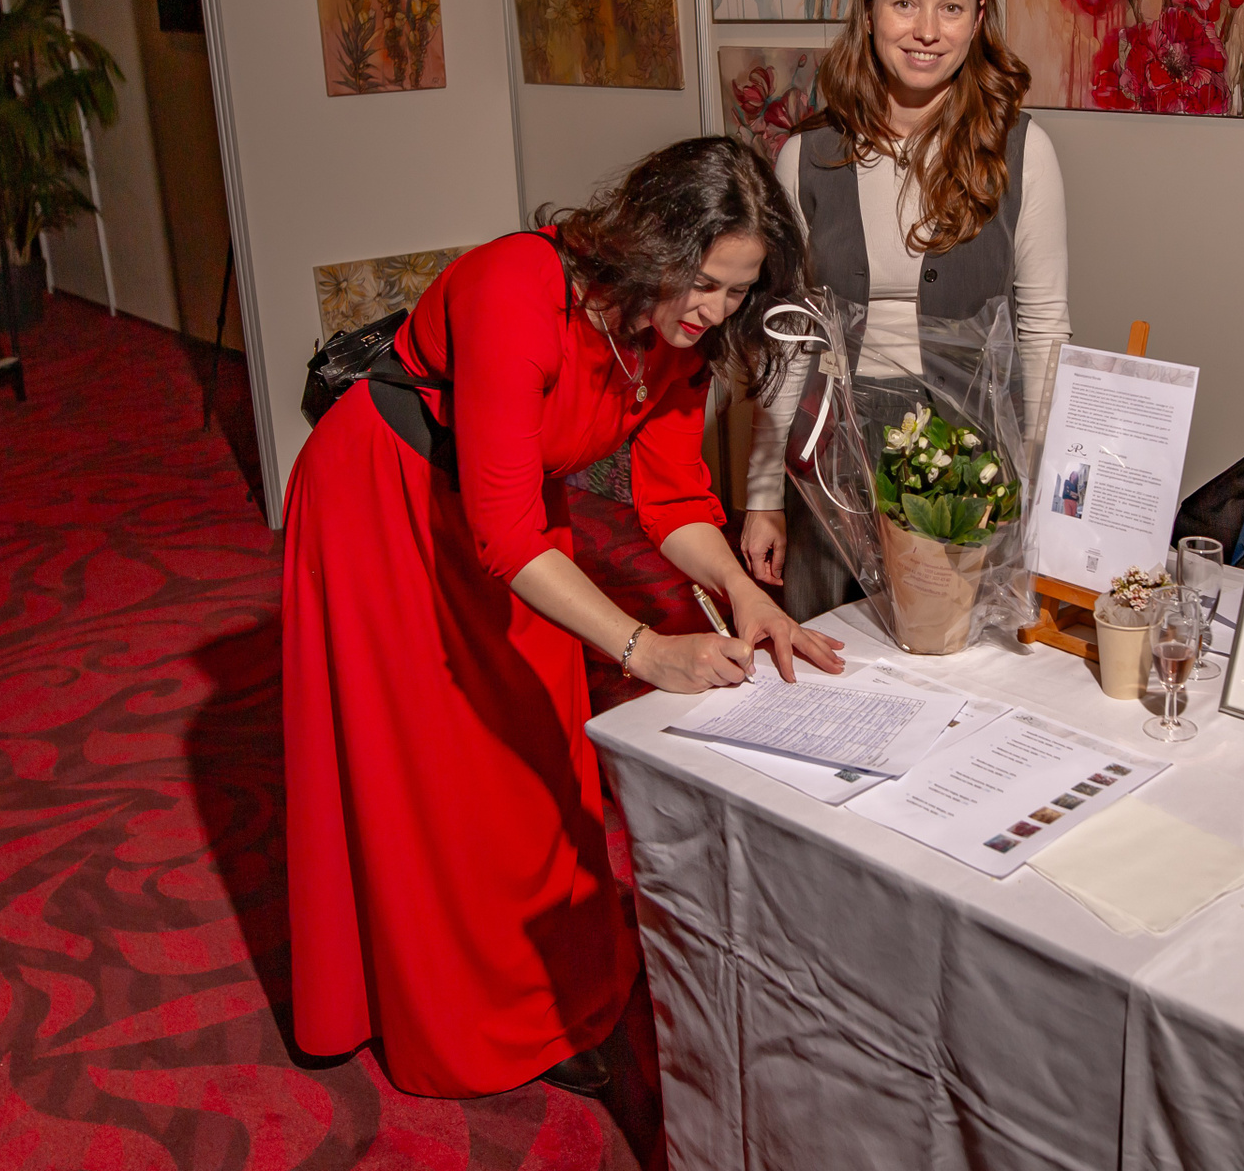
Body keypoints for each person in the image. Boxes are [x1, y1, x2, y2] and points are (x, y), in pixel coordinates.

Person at [281, 138, 844, 1110]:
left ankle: (552, 999)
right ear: (653, 242)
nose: (714, 310)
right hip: (387, 501)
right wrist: (644, 647)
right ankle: (436, 1010)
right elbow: (506, 534)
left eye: (738, 291)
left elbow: (672, 498)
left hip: (507, 508)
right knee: (430, 766)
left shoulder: (679, 334)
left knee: (545, 756)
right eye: (703, 281)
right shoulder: (516, 286)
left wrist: (742, 592)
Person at [740, 0, 1071, 621]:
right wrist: (763, 496)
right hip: (832, 455)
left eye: (951, 7)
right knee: (830, 656)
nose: (927, 30)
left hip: (970, 461)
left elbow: (1045, 330)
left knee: (955, 659)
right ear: (868, 10)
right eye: (904, 3)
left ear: (978, 20)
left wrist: (1040, 486)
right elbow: (788, 342)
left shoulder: (1021, 152)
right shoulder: (807, 156)